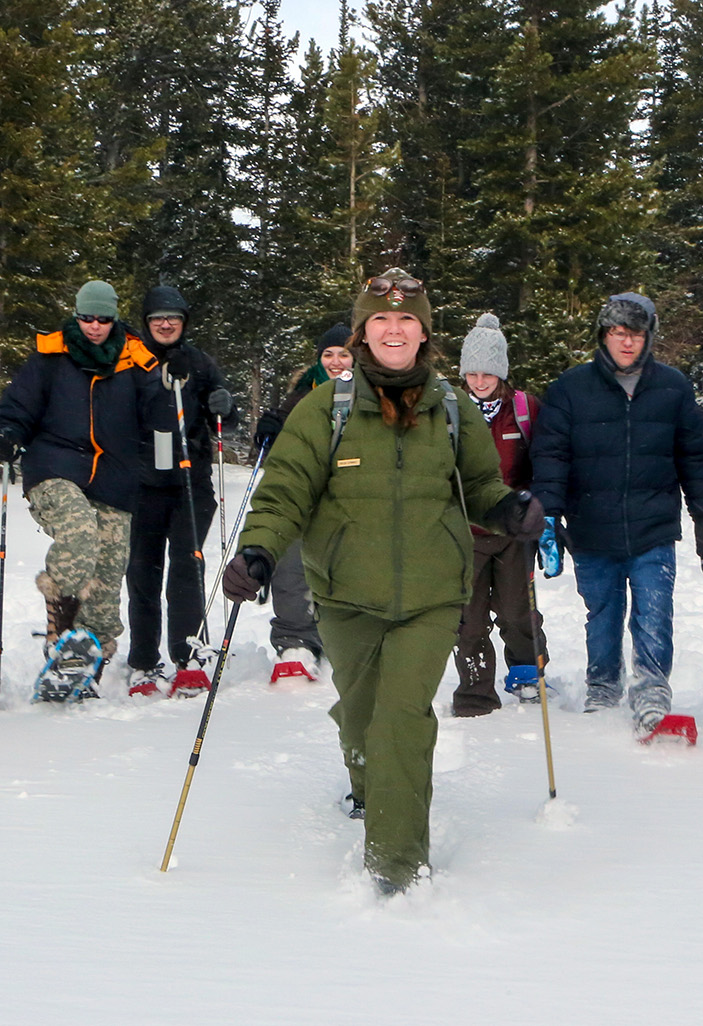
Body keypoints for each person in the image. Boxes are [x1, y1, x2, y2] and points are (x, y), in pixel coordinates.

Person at [221, 270, 542, 895]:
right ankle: (369, 785)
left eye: (407, 320)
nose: (394, 329)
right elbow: (285, 489)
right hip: (345, 594)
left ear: (424, 333)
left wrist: (507, 510)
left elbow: (478, 484)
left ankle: (397, 866)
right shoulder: (326, 408)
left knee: (401, 717)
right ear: (364, 332)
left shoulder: (450, 408)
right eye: (381, 320)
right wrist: (258, 551)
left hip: (432, 594)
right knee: (362, 713)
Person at [530, 292, 703, 735]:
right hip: (592, 527)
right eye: (618, 333)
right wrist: (549, 519)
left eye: (635, 334)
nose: (626, 342)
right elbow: (551, 457)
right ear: (603, 335)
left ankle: (652, 689)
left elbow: (693, 454)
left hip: (653, 526)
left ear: (648, 337)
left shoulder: (673, 387)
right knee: (603, 612)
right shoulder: (570, 389)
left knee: (654, 611)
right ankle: (603, 685)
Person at [0, 280, 167, 682]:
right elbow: (17, 406)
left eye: (103, 318)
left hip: (115, 476)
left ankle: (92, 658)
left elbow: (158, 415)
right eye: (87, 317)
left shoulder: (136, 362)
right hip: (54, 468)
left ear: (114, 319)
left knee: (108, 572)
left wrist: (170, 393)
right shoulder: (50, 357)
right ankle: (62, 629)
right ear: (77, 316)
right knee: (80, 534)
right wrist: (7, 435)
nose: (94, 326)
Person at [123, 285, 235, 696]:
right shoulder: (131, 362)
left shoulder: (199, 362)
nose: (165, 324)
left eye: (172, 318)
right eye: (157, 319)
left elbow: (225, 415)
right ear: (147, 323)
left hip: (190, 482)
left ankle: (188, 653)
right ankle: (143, 661)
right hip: (142, 484)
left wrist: (224, 404)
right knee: (143, 572)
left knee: (188, 567)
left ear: (183, 323)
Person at [450, 313, 549, 717]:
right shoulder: (450, 410)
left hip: (511, 531)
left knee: (516, 611)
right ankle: (475, 690)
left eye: (486, 372)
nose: (478, 380)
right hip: (465, 532)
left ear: (501, 371)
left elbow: (546, 462)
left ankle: (528, 674)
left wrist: (541, 515)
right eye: (471, 372)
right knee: (468, 619)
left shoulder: (524, 409)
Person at [253, 324, 355, 672]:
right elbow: (279, 452)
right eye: (328, 354)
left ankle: (349, 634)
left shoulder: (371, 395)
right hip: (306, 493)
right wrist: (268, 431)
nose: (335, 361)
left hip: (353, 494)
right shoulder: (301, 394)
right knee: (293, 564)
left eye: (343, 353)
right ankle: (295, 640)